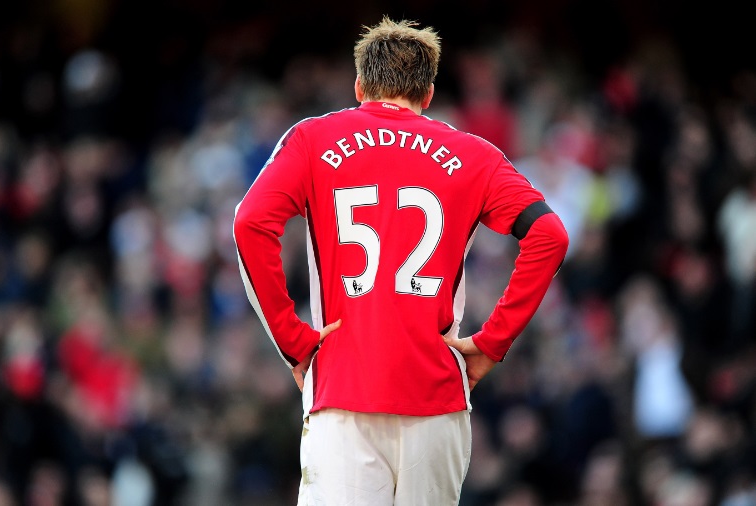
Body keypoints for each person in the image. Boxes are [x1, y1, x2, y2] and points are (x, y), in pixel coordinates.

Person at [233, 16, 569, 506]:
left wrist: (293, 340)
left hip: (343, 393)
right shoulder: (475, 155)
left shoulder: (312, 139)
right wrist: (493, 342)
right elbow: (549, 235)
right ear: (428, 93)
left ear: (359, 86)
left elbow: (249, 223)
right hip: (436, 397)